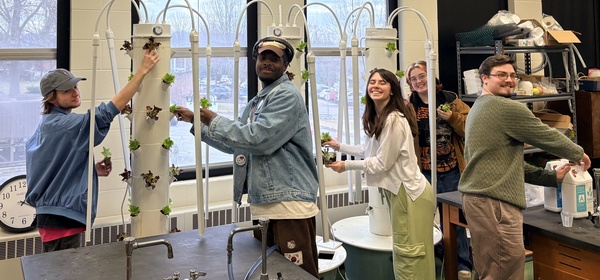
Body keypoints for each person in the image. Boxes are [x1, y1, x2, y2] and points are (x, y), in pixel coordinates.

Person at [175, 36, 320, 277]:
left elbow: (258, 139)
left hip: (289, 205)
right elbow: (239, 146)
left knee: (296, 275)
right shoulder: (257, 103)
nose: (267, 62)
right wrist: (196, 122)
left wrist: (213, 119)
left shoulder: (286, 96)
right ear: (255, 62)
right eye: (263, 57)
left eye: (275, 59)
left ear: (286, 66)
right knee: (272, 273)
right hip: (266, 204)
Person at [458, 54, 591, 280]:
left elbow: (508, 163)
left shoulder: (478, 107)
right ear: (484, 79)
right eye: (501, 75)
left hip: (481, 202)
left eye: (512, 75)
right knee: (504, 272)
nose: (509, 80)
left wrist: (550, 177)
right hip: (495, 205)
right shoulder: (503, 107)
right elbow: (545, 135)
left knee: (492, 271)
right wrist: (579, 154)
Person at [25, 50, 160, 252]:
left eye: (75, 86)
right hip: (65, 217)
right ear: (51, 99)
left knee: (55, 271)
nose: (75, 92)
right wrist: (142, 71)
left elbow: (52, 168)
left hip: (51, 216)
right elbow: (105, 112)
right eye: (66, 91)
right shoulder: (66, 125)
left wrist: (90, 170)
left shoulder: (46, 126)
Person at [323, 68, 436, 279]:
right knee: (410, 253)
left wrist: (345, 166)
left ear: (392, 90)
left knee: (409, 257)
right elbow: (367, 150)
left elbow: (382, 163)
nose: (375, 85)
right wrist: (338, 146)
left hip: (408, 194)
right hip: (400, 192)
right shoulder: (379, 116)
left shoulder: (394, 119)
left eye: (382, 82)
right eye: (372, 82)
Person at [405, 61, 473, 280]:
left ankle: (462, 264)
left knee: (455, 220)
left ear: (432, 76)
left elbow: (470, 130)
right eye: (413, 79)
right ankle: (434, 261)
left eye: (422, 76)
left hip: (451, 168)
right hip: (423, 171)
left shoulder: (451, 101)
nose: (418, 81)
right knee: (423, 219)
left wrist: (451, 118)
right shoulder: (408, 106)